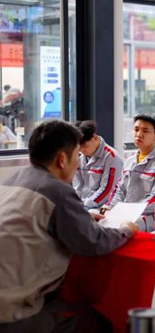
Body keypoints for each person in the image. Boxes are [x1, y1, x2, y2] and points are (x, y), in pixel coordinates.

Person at [0, 120, 137, 333]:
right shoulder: (57, 190)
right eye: (77, 156)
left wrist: (82, 216)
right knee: (100, 321)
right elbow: (94, 242)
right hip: (11, 314)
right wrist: (126, 230)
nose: (79, 163)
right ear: (62, 160)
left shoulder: (10, 182)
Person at [105, 114, 155, 232]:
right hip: (129, 213)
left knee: (122, 228)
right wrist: (109, 208)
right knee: (100, 221)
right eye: (136, 129)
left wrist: (127, 212)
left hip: (154, 217)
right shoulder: (130, 161)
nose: (139, 134)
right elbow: (119, 190)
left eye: (145, 131)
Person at [73, 120, 123, 210]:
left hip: (100, 207)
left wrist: (85, 206)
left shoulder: (111, 157)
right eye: (79, 148)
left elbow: (107, 190)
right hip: (82, 206)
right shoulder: (80, 156)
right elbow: (77, 186)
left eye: (85, 147)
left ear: (95, 138)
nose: (82, 151)